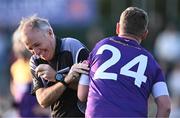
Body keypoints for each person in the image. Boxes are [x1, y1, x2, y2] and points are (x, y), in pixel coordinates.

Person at [78, 7, 171, 117]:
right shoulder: (151, 61)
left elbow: (82, 94)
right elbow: (165, 107)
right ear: (145, 34)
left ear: (118, 28)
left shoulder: (100, 46)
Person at [17, 15, 89, 117]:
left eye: (37, 44)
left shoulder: (72, 46)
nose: (36, 52)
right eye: (30, 48)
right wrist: (64, 79)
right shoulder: (35, 61)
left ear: (50, 33)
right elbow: (42, 100)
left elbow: (92, 89)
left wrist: (56, 76)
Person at [10, 29, 50, 117]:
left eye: (21, 43)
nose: (18, 47)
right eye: (16, 43)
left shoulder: (39, 65)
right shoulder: (15, 67)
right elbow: (15, 88)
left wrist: (45, 109)